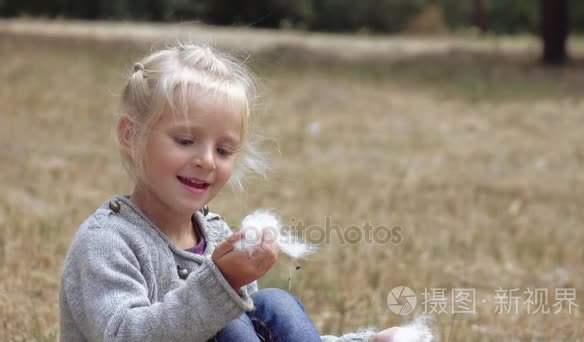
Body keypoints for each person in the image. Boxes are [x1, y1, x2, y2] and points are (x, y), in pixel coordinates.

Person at [59, 42, 397, 342]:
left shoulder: (217, 233)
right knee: (229, 326)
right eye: (185, 141)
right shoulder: (106, 242)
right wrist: (220, 281)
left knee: (272, 305)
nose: (206, 160)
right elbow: (125, 335)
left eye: (223, 150)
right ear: (132, 136)